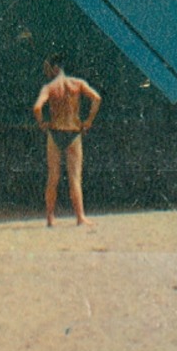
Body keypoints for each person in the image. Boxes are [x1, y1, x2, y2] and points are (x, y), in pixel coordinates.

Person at [32, 55, 102, 227]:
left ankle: (50, 217)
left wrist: (42, 123)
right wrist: (89, 121)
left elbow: (37, 107)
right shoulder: (77, 84)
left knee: (53, 177)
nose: (46, 71)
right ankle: (80, 217)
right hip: (73, 132)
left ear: (56, 68)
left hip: (55, 131)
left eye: (48, 68)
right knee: (75, 178)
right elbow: (97, 98)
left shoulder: (49, 87)